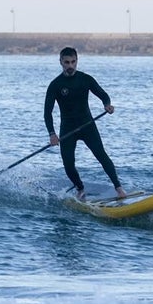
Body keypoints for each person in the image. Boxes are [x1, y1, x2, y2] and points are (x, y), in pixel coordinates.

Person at [44, 46, 126, 200]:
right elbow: (47, 113)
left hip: (87, 126)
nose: (70, 65)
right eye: (66, 62)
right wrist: (52, 134)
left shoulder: (85, 79)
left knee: (101, 156)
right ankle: (80, 188)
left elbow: (103, 95)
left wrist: (107, 104)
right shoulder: (55, 85)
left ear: (77, 61)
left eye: (73, 62)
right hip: (68, 129)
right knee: (68, 164)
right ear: (60, 62)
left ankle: (119, 189)